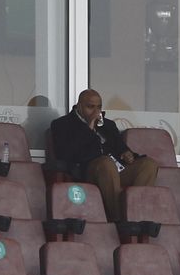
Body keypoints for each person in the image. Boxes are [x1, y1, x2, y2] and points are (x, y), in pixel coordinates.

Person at [49, 89, 158, 221]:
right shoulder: (62, 124)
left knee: (148, 165)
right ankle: (121, 220)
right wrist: (88, 127)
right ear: (79, 106)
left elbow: (121, 148)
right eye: (91, 107)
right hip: (88, 170)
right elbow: (65, 154)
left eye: (99, 107)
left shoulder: (108, 125)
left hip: (116, 169)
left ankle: (137, 215)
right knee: (106, 163)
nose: (96, 111)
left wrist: (127, 153)